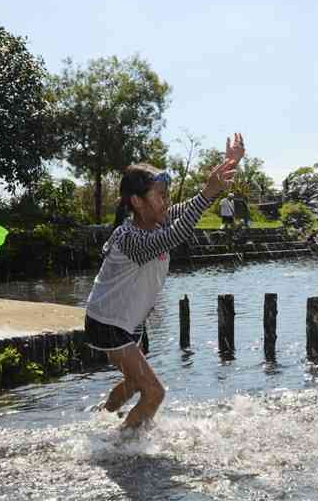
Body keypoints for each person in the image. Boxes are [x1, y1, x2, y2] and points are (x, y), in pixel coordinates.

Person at [85, 133, 245, 430]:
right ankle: (118, 447)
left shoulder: (157, 220)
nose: (166, 202)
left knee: (134, 384)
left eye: (166, 196)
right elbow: (176, 235)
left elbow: (188, 210)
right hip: (107, 323)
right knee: (154, 393)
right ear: (137, 202)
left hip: (127, 322)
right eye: (160, 196)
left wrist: (228, 166)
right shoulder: (132, 238)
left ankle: (101, 422)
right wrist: (209, 193)